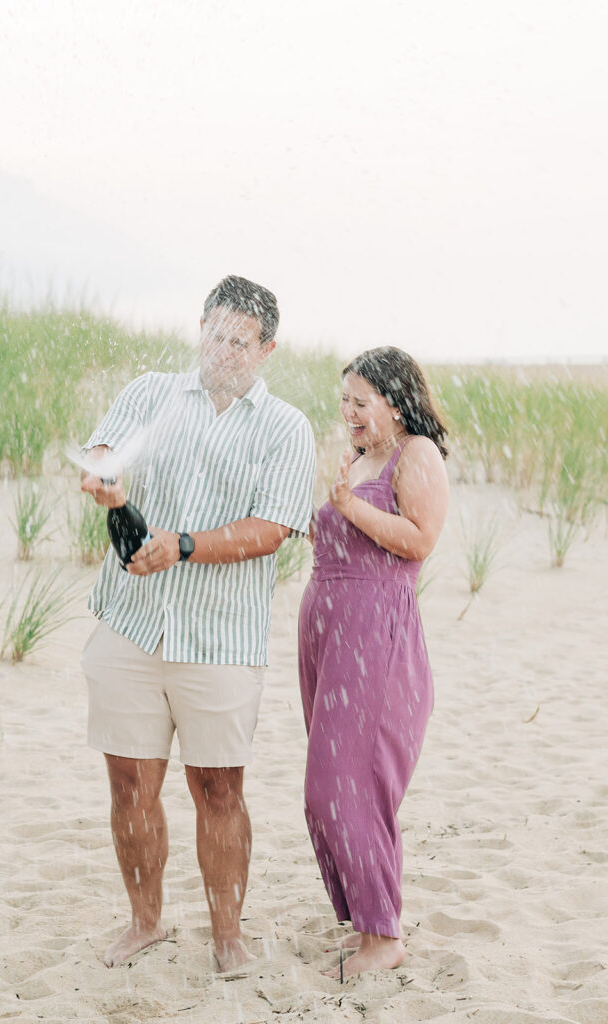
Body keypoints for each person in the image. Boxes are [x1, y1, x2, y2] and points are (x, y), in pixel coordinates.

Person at [80, 275, 315, 972]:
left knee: (218, 789)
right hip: (130, 622)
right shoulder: (150, 392)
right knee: (128, 785)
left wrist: (181, 544)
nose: (222, 350)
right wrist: (101, 477)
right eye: (214, 333)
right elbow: (102, 453)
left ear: (266, 349)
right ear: (200, 327)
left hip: (219, 638)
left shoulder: (283, 426)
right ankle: (145, 922)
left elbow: (272, 528)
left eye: (240, 341)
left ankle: (227, 937)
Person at [297, 346, 449, 978]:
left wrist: (351, 507)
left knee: (344, 784)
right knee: (325, 787)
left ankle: (384, 937)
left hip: (375, 637)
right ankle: (368, 923)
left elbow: (419, 539)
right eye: (345, 401)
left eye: (361, 402)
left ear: (395, 400)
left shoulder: (417, 455)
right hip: (328, 636)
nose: (349, 413)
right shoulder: (359, 458)